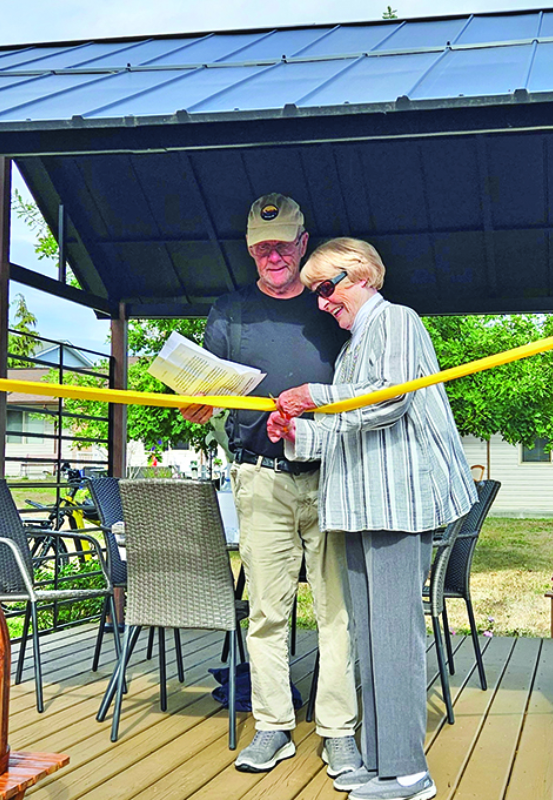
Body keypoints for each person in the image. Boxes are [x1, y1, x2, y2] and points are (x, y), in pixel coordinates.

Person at [267, 237, 476, 800]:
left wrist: (312, 395)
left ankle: (409, 772)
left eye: (326, 287)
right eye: (314, 293)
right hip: (363, 506)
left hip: (398, 502)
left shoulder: (395, 320)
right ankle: (384, 764)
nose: (321, 302)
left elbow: (390, 400)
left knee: (393, 638)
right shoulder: (354, 346)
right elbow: (346, 427)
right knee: (368, 636)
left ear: (363, 275)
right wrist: (297, 433)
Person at [180, 194, 361, 778]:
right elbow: (203, 394)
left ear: (304, 243)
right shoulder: (228, 311)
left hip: (333, 475)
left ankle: (339, 733)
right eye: (262, 246)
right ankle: (274, 727)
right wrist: (195, 403)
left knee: (337, 613)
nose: (273, 254)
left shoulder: (330, 306)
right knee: (266, 613)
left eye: (284, 243)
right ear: (251, 250)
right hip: (261, 480)